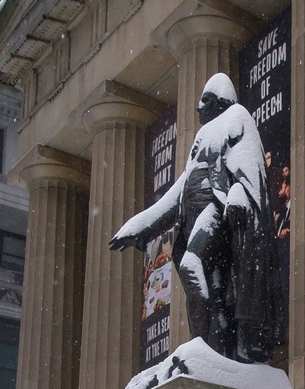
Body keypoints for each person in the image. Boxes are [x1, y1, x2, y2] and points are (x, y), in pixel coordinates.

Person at [110, 73, 284, 364]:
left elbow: (250, 171)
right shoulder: (202, 136)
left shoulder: (236, 117)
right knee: (213, 293)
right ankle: (213, 348)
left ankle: (202, 347)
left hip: (219, 211)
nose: (198, 106)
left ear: (218, 100)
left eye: (205, 99)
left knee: (193, 264)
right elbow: (179, 191)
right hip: (197, 218)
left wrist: (239, 195)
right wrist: (139, 227)